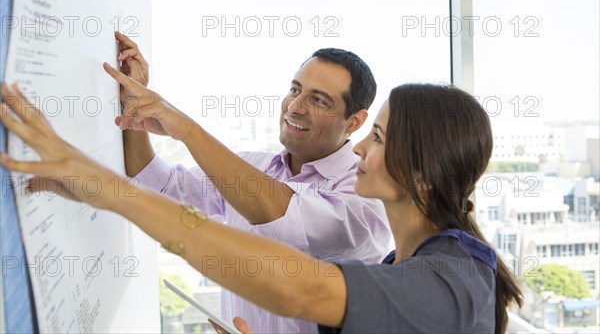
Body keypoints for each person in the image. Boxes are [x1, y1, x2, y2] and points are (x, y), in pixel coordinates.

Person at [1, 80, 522, 333]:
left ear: (422, 176)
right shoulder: (405, 269)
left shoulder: (452, 277)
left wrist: (109, 190)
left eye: (380, 138)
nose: (364, 150)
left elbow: (298, 284)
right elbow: (173, 188)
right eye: (296, 90)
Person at [45, 32, 392, 333]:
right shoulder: (254, 167)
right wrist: (136, 106)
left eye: (318, 100)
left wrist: (188, 130)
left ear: (354, 122)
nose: (295, 106)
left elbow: (283, 218)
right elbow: (160, 186)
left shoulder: (365, 197)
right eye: (294, 89)